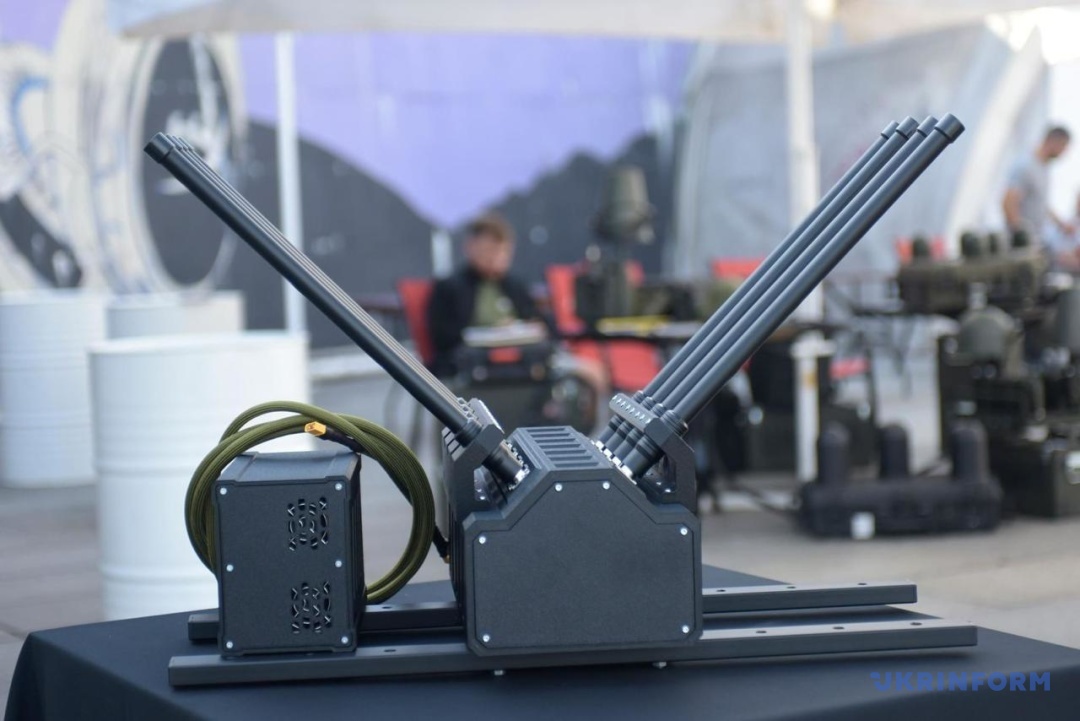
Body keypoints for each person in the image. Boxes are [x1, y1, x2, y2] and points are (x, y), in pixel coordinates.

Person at [427, 212, 551, 377]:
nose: (496, 257)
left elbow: (539, 321)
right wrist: (491, 332)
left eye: (502, 251)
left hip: (521, 361)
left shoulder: (515, 286)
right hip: (471, 367)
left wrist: (529, 326)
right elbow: (443, 338)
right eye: (489, 250)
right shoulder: (450, 287)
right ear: (470, 247)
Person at [1002, 125, 1073, 250]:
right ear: (1053, 141)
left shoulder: (1043, 168)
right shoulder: (1026, 165)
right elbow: (1008, 202)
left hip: (1035, 241)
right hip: (1020, 245)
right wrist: (1020, 235)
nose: (1063, 153)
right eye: (1063, 147)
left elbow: (1041, 204)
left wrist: (1061, 224)